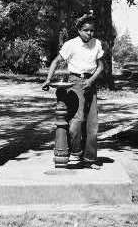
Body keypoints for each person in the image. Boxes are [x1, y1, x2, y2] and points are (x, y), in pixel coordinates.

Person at [41, 13, 104, 169]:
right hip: (75, 82)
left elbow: (101, 66)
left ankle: (89, 159)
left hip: (91, 82)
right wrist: (48, 79)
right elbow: (56, 61)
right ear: (79, 30)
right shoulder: (71, 44)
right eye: (86, 30)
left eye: (92, 30)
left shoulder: (97, 44)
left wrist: (91, 80)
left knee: (92, 123)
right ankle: (74, 150)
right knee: (76, 121)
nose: (90, 33)